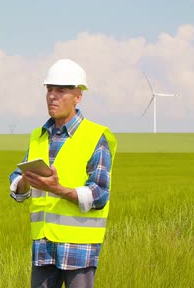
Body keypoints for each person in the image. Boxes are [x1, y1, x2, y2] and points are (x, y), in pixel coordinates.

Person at [9, 59, 117, 288]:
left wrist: (57, 189)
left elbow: (99, 194)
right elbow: (17, 181)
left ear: (78, 96)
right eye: (49, 89)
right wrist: (25, 182)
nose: (52, 96)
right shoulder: (38, 136)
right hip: (43, 245)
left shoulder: (95, 137)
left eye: (61, 90)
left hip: (78, 247)